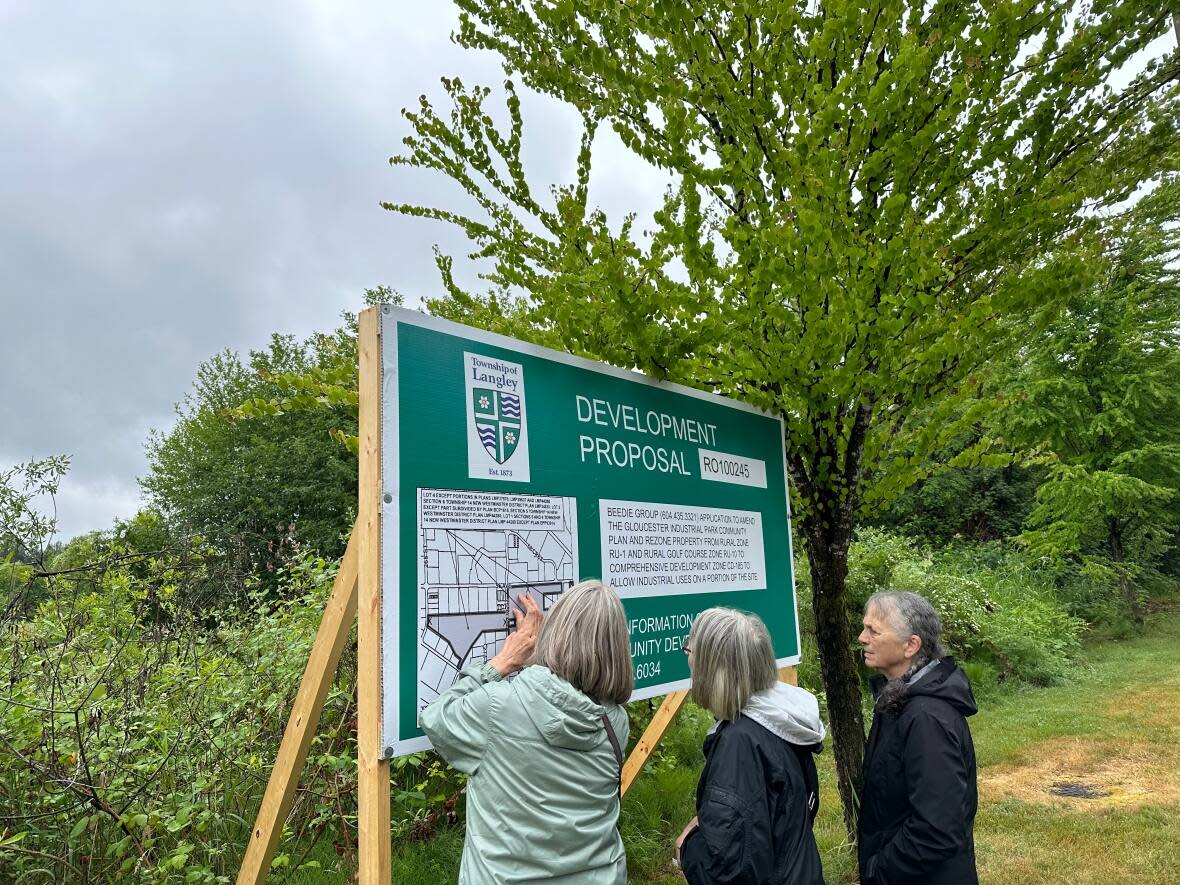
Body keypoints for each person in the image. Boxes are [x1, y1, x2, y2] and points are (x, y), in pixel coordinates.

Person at [420, 579, 633, 884]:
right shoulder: (615, 722)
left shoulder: (496, 707)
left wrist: (502, 662)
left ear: (556, 633)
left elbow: (437, 718)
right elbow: (562, 700)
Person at [674, 607, 827, 885]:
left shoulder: (738, 745)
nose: (689, 661)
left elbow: (725, 870)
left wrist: (687, 848)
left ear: (714, 668)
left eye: (690, 652)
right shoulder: (780, 722)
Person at [857, 590, 979, 885]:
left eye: (873, 630)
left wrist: (878, 871)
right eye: (864, 627)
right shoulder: (898, 699)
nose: (862, 637)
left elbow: (936, 830)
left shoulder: (927, 718)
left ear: (911, 645)